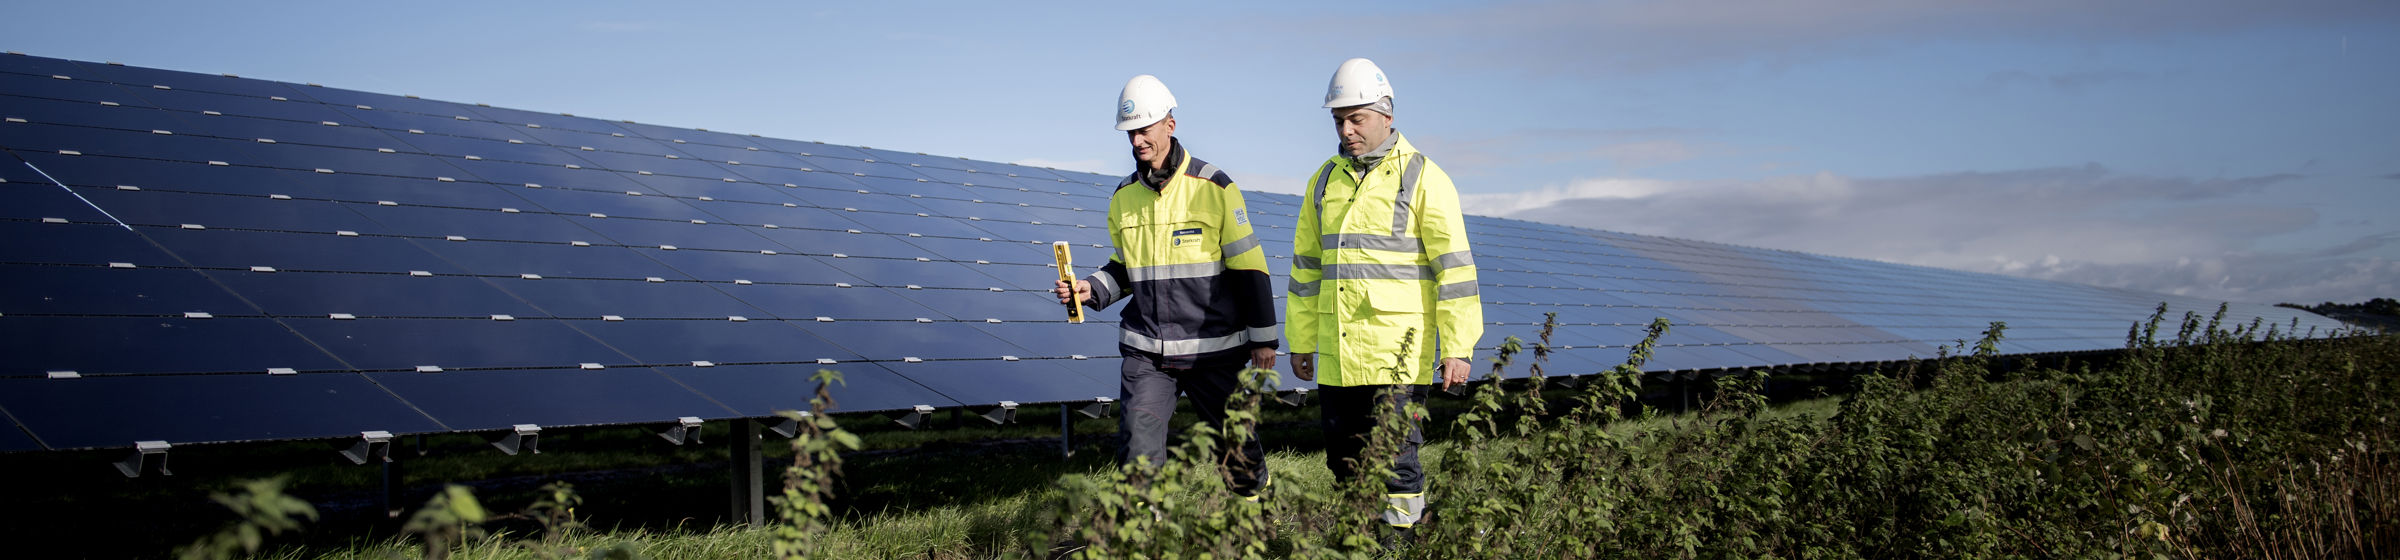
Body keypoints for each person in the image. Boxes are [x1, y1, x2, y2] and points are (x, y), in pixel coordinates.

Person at [1285, 58, 1483, 540]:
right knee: (1344, 460)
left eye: (1357, 119)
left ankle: (1400, 544)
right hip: (1335, 357)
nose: (1347, 130)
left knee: (1394, 461)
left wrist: (1457, 347)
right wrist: (1302, 342)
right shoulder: (1323, 181)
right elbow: (1306, 271)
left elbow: (1454, 271)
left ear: (1387, 114)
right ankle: (1363, 541)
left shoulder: (1423, 177)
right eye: (1339, 120)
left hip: (1397, 356)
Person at [1056, 74, 1279, 499]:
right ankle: (1142, 535)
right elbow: (1126, 267)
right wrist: (1090, 288)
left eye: (1144, 129)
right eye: (1130, 132)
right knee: (1137, 454)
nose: (1137, 140)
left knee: (1237, 451)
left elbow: (1249, 265)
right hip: (1147, 352)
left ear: (1169, 125)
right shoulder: (1123, 197)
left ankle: (1253, 509)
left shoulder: (1215, 187)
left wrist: (1263, 337)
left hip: (1211, 349)